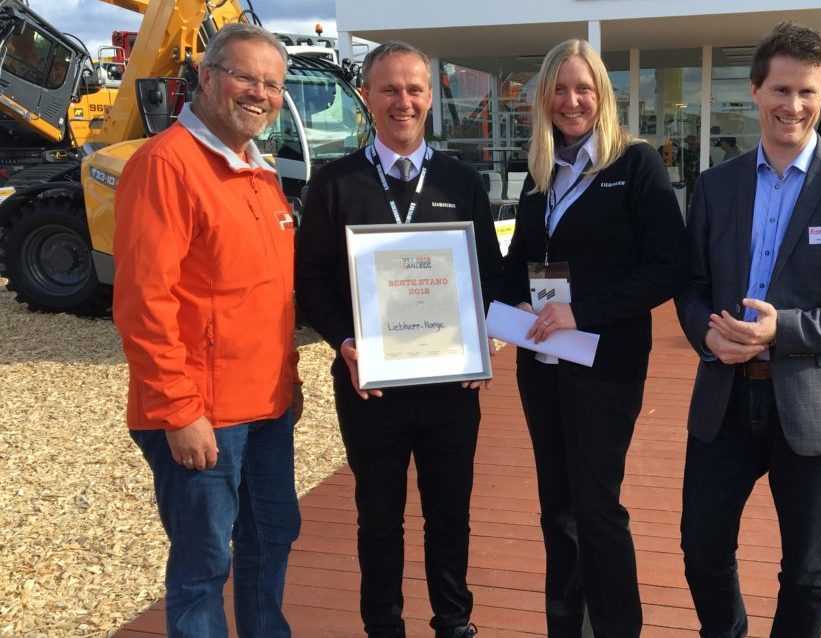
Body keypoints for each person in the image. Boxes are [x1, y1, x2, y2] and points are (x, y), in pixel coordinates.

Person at [676, 21, 821, 638]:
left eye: (807, 92)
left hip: (815, 400)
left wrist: (785, 330)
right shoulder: (716, 186)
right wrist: (706, 333)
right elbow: (690, 287)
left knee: (806, 568)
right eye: (780, 90)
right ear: (754, 91)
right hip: (726, 396)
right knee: (701, 550)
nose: (792, 106)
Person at [295, 41, 500, 638]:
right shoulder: (334, 183)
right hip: (370, 385)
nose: (402, 101)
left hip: (449, 383)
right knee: (378, 518)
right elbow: (308, 279)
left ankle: (453, 622)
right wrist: (343, 342)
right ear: (366, 96)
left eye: (414, 89)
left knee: (449, 515)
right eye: (388, 89)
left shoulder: (463, 180)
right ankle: (382, 625)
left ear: (430, 98)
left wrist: (480, 338)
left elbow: (487, 269)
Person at [113, 24, 302, 638]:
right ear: (206, 75)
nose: (260, 93)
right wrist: (177, 410)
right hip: (204, 413)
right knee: (203, 566)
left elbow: (263, 297)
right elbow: (144, 301)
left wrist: (287, 380)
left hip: (267, 408)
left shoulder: (259, 173)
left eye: (272, 84)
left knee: (270, 541)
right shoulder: (165, 166)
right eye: (246, 77)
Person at [499, 38, 688, 638]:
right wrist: (496, 310)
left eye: (583, 88)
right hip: (542, 361)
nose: (571, 100)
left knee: (597, 509)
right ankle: (566, 628)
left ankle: (615, 629)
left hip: (605, 364)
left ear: (602, 94)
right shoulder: (537, 173)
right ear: (544, 99)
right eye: (559, 88)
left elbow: (668, 266)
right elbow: (519, 261)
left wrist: (585, 312)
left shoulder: (634, 165)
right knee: (557, 507)